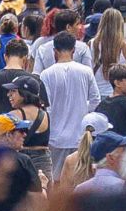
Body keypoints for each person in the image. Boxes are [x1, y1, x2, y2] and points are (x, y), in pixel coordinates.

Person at [41, 29, 102, 177]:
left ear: (54, 50)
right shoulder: (86, 71)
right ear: (73, 50)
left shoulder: (46, 74)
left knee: (56, 178)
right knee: (80, 176)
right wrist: (83, 110)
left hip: (55, 137)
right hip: (79, 137)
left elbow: (45, 106)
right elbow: (95, 99)